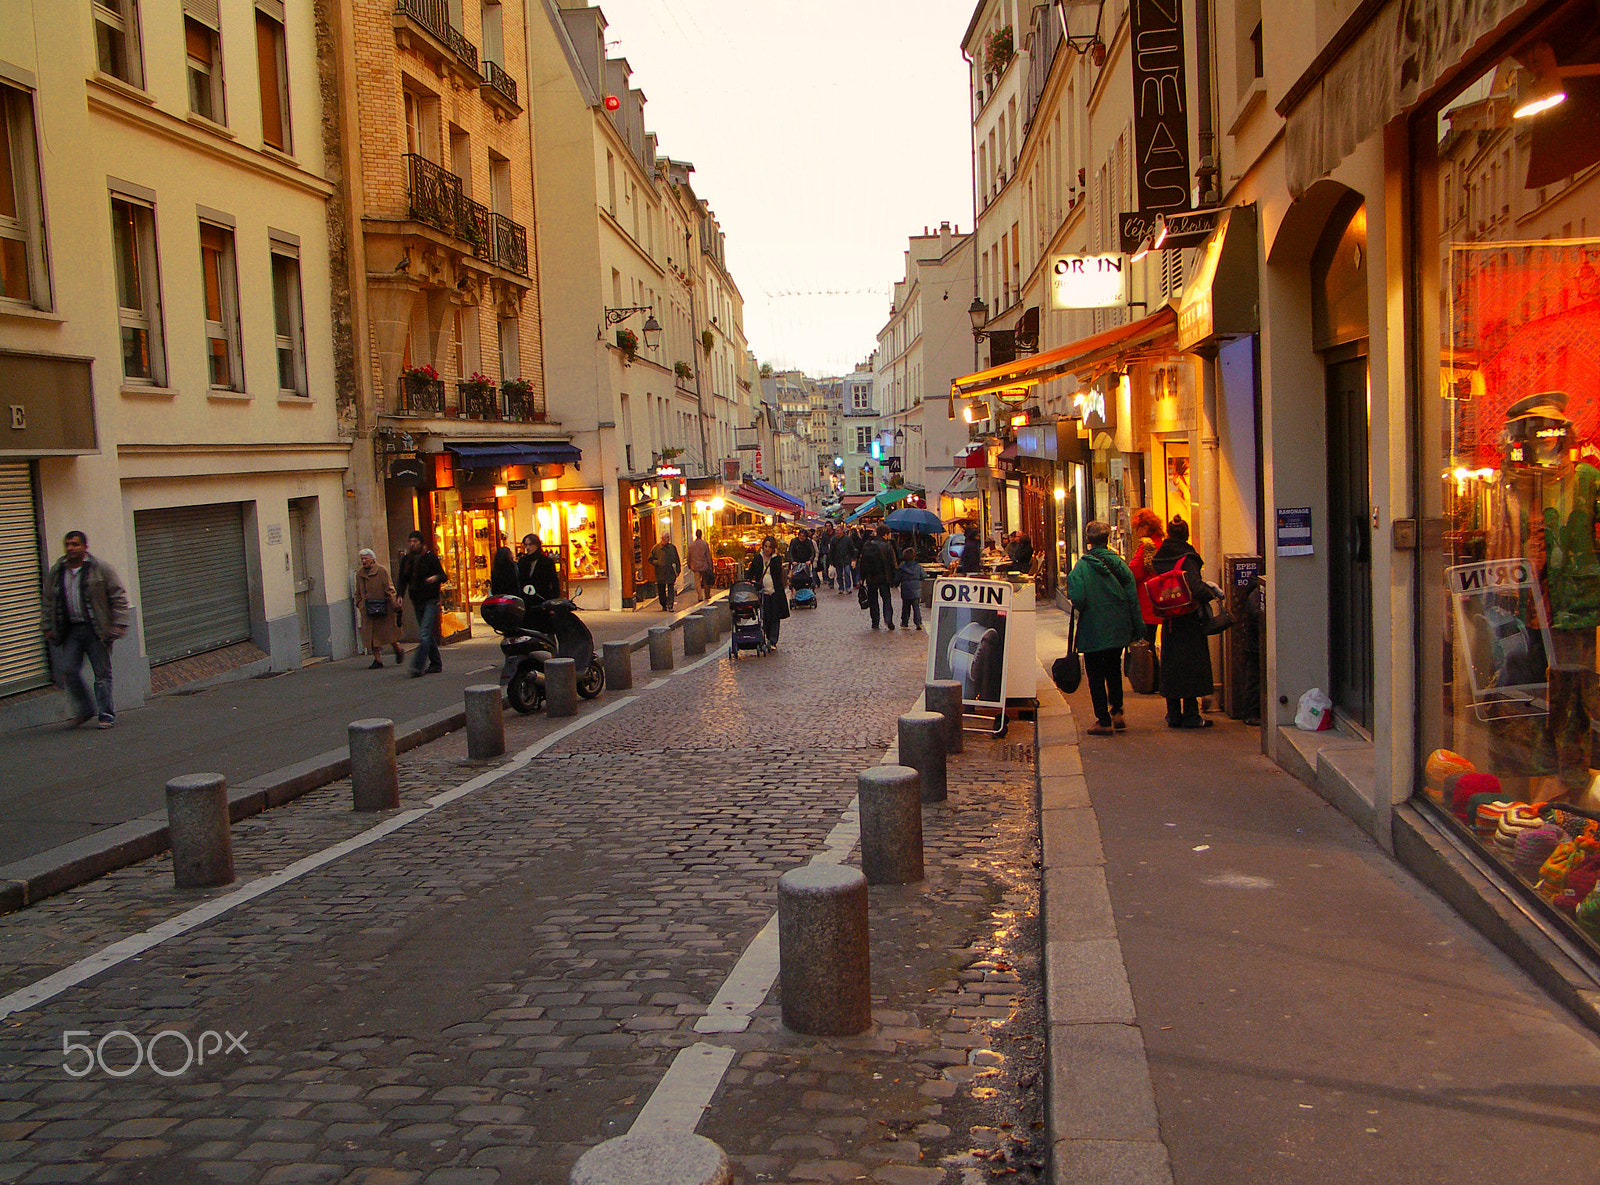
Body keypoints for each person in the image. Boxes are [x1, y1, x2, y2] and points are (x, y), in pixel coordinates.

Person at [41, 530, 130, 729]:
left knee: (102, 674)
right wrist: (47, 626)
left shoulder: (99, 569)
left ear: (85, 547)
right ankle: (85, 709)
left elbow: (118, 595)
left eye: (75, 544)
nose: (71, 548)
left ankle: (106, 715)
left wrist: (119, 623)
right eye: (68, 545)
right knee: (68, 669)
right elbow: (48, 600)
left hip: (96, 629)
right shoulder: (58, 571)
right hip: (71, 630)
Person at [1066, 521, 1145, 736]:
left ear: (1089, 540)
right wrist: (1138, 628)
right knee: (1113, 669)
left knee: (1095, 674)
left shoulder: (1081, 567)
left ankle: (1103, 719)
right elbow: (1132, 598)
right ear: (1107, 539)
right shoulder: (1120, 565)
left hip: (1093, 628)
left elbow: (1078, 598)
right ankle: (1117, 711)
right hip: (1118, 626)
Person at [1148, 516, 1215, 727]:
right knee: (1191, 666)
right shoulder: (1187, 558)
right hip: (1188, 618)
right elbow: (1195, 588)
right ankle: (1192, 716)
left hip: (1169, 620)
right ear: (1186, 534)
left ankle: (1173, 714)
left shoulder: (1160, 558)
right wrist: (1210, 592)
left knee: (1172, 665)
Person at [397, 529, 445, 677]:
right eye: (410, 541)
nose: (412, 544)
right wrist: (399, 595)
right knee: (427, 633)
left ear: (421, 543)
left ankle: (417, 666)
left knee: (424, 633)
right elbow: (402, 579)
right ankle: (436, 663)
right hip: (416, 600)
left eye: (415, 541)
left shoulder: (430, 558)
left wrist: (434, 578)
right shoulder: (407, 560)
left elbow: (443, 576)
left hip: (431, 599)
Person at [354, 548, 403, 669]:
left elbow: (389, 587)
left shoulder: (381, 571)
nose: (364, 561)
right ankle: (377, 659)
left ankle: (397, 649)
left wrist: (394, 602)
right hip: (368, 608)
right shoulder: (360, 574)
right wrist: (359, 603)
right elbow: (357, 591)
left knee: (388, 632)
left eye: (366, 558)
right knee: (372, 635)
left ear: (372, 559)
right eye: (362, 559)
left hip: (383, 606)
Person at [1127, 507, 1165, 644]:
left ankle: (1150, 666)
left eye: (1137, 528)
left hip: (1146, 601)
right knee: (1151, 640)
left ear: (1145, 527)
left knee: (1145, 644)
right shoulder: (1160, 543)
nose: (1136, 533)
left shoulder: (1148, 546)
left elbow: (1134, 573)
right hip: (1156, 598)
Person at [745, 535, 789, 647]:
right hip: (762, 592)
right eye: (765, 546)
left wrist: (774, 557)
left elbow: (777, 572)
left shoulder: (776, 559)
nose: (767, 549)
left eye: (769, 547)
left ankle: (773, 640)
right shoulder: (758, 558)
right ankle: (766, 636)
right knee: (766, 616)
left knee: (775, 616)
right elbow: (751, 572)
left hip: (775, 591)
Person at [859, 524, 898, 631]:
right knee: (886, 599)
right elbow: (893, 563)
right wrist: (895, 578)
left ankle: (875, 622)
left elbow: (862, 562)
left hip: (871, 577)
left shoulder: (868, 544)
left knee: (873, 599)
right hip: (884, 577)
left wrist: (862, 577)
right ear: (885, 534)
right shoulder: (887, 546)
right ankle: (888, 619)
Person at [517, 535, 561, 601]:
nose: (528, 547)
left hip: (542, 598)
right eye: (526, 545)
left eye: (530, 545)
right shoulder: (523, 561)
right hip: (526, 599)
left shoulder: (547, 562)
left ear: (537, 545)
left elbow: (554, 582)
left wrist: (554, 601)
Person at [649, 535, 681, 610]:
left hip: (670, 571)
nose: (668, 539)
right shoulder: (656, 548)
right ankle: (663, 604)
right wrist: (657, 562)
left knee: (671, 588)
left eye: (668, 537)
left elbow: (677, 559)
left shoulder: (672, 548)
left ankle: (670, 604)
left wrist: (678, 569)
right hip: (660, 572)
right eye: (667, 537)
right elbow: (650, 559)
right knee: (661, 589)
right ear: (662, 538)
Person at [896, 547, 924, 631]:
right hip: (916, 590)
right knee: (916, 607)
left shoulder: (902, 568)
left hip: (905, 590)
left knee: (905, 606)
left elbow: (898, 578)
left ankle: (905, 621)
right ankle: (918, 622)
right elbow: (923, 575)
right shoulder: (918, 567)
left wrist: (895, 583)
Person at [687, 530, 715, 604]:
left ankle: (700, 596)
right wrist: (710, 565)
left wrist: (688, 564)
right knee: (705, 580)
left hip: (695, 566)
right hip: (704, 565)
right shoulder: (704, 544)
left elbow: (689, 556)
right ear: (701, 535)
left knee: (697, 581)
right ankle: (707, 594)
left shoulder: (691, 545)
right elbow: (708, 556)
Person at [830, 528, 858, 594]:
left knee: (847, 573)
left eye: (838, 530)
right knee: (839, 575)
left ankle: (848, 587)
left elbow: (852, 548)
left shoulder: (847, 539)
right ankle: (841, 587)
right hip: (837, 559)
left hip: (846, 559)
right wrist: (831, 561)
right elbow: (831, 551)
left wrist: (853, 558)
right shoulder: (833, 540)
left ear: (842, 531)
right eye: (836, 531)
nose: (837, 532)